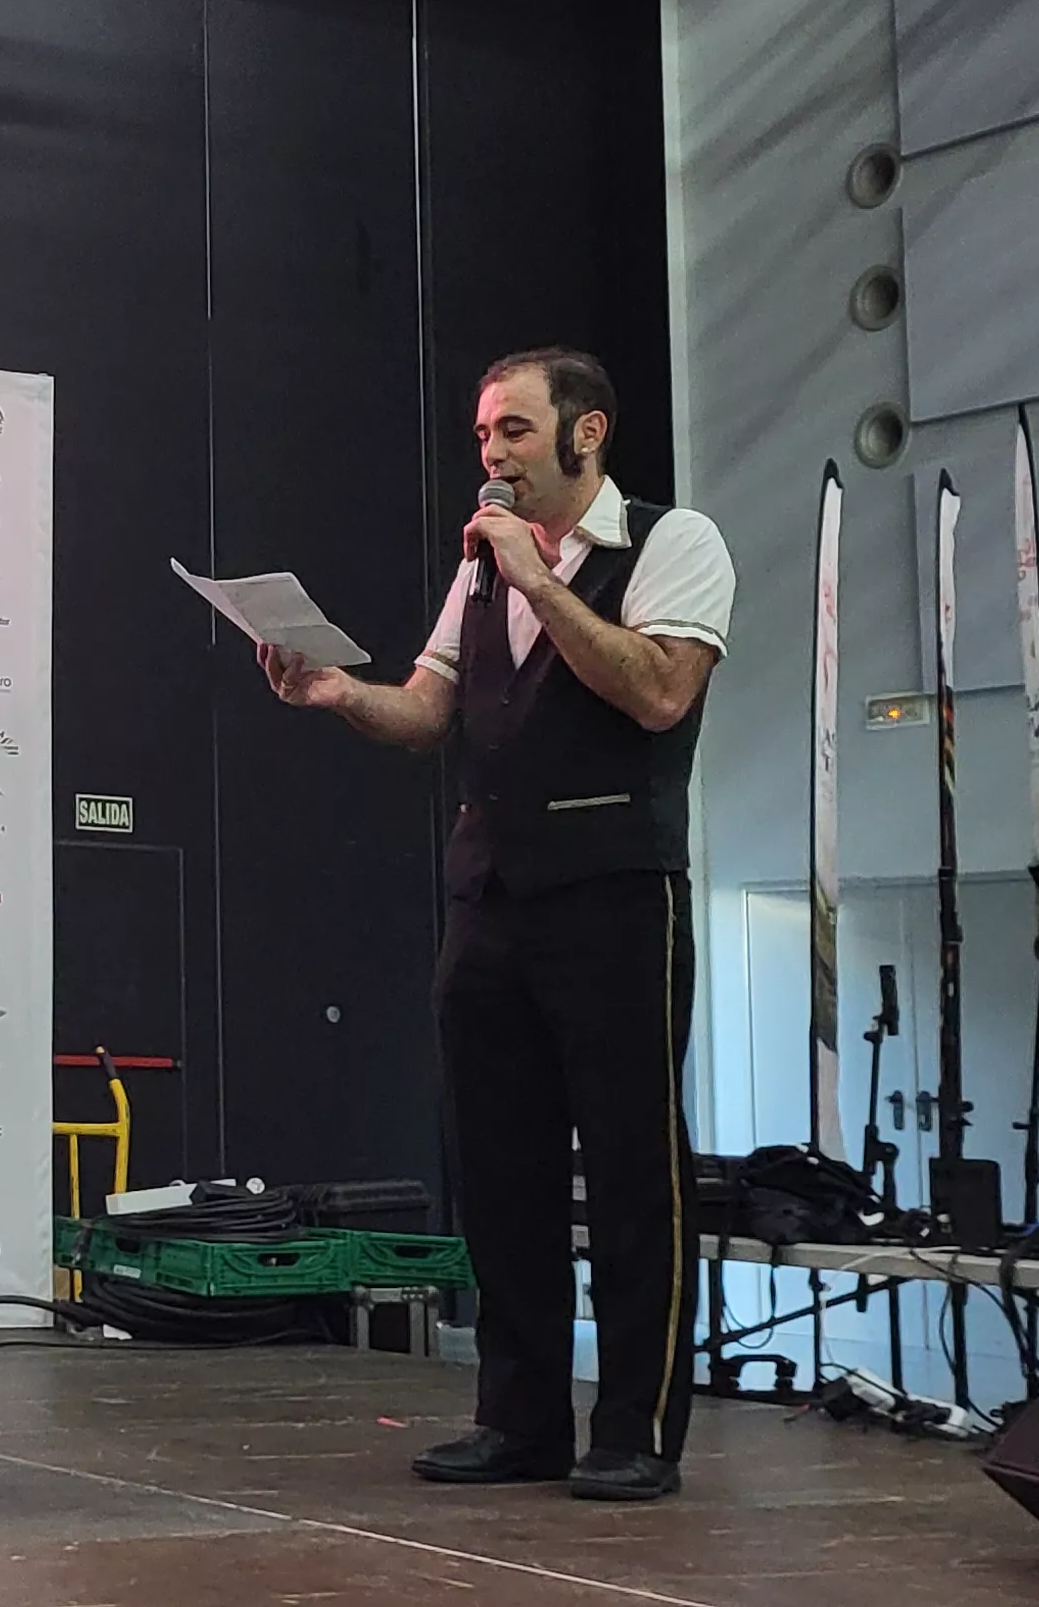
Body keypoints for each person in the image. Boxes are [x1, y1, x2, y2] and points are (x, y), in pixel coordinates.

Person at [256, 348, 733, 1503]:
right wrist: (333, 692)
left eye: (513, 431)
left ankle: (636, 1428)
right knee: (500, 1171)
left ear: (586, 434)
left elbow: (659, 690)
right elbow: (429, 709)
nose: (491, 454)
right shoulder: (480, 569)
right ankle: (520, 1419)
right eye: (482, 435)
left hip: (617, 894)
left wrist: (540, 580)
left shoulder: (670, 543)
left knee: (629, 1171)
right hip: (489, 899)